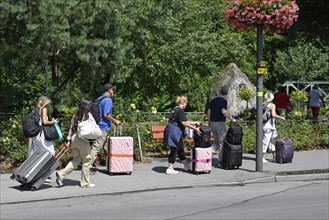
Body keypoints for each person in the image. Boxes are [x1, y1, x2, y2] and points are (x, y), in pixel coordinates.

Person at [56, 99, 96, 188]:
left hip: (74, 139)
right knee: (87, 160)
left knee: (76, 160)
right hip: (82, 139)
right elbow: (94, 126)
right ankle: (85, 183)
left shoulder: (75, 115)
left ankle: (61, 174)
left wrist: (68, 140)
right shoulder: (88, 115)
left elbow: (71, 129)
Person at [164, 96, 201, 175]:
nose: (186, 105)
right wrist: (195, 129)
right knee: (174, 149)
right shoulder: (180, 110)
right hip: (175, 132)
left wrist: (193, 123)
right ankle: (170, 168)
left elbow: (182, 120)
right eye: (186, 103)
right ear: (183, 102)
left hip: (171, 130)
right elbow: (183, 123)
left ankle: (186, 165)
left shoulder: (174, 109)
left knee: (180, 148)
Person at [90, 83, 122, 174]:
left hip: (99, 126)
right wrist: (115, 120)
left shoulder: (100, 99)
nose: (113, 91)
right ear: (109, 90)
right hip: (103, 127)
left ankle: (114, 166)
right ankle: (87, 167)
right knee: (96, 147)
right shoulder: (108, 100)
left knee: (107, 147)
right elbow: (106, 115)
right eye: (113, 89)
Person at [28, 96, 59, 183]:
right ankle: (44, 174)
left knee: (38, 154)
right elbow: (45, 122)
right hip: (41, 134)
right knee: (51, 152)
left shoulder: (36, 109)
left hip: (35, 135)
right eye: (48, 103)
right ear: (45, 103)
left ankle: (36, 173)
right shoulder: (44, 109)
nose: (49, 105)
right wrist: (53, 121)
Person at [207, 85, 236, 168]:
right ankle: (220, 163)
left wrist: (209, 122)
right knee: (222, 143)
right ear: (227, 93)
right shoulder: (223, 101)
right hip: (220, 124)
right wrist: (231, 118)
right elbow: (223, 111)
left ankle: (207, 154)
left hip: (212, 123)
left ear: (220, 92)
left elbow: (209, 112)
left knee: (215, 142)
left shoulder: (212, 101)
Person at [262, 92, 285, 163]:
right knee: (266, 141)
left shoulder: (263, 104)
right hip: (270, 126)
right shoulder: (272, 105)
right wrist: (281, 117)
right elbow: (274, 115)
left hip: (263, 124)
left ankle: (274, 157)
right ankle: (261, 157)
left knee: (271, 141)